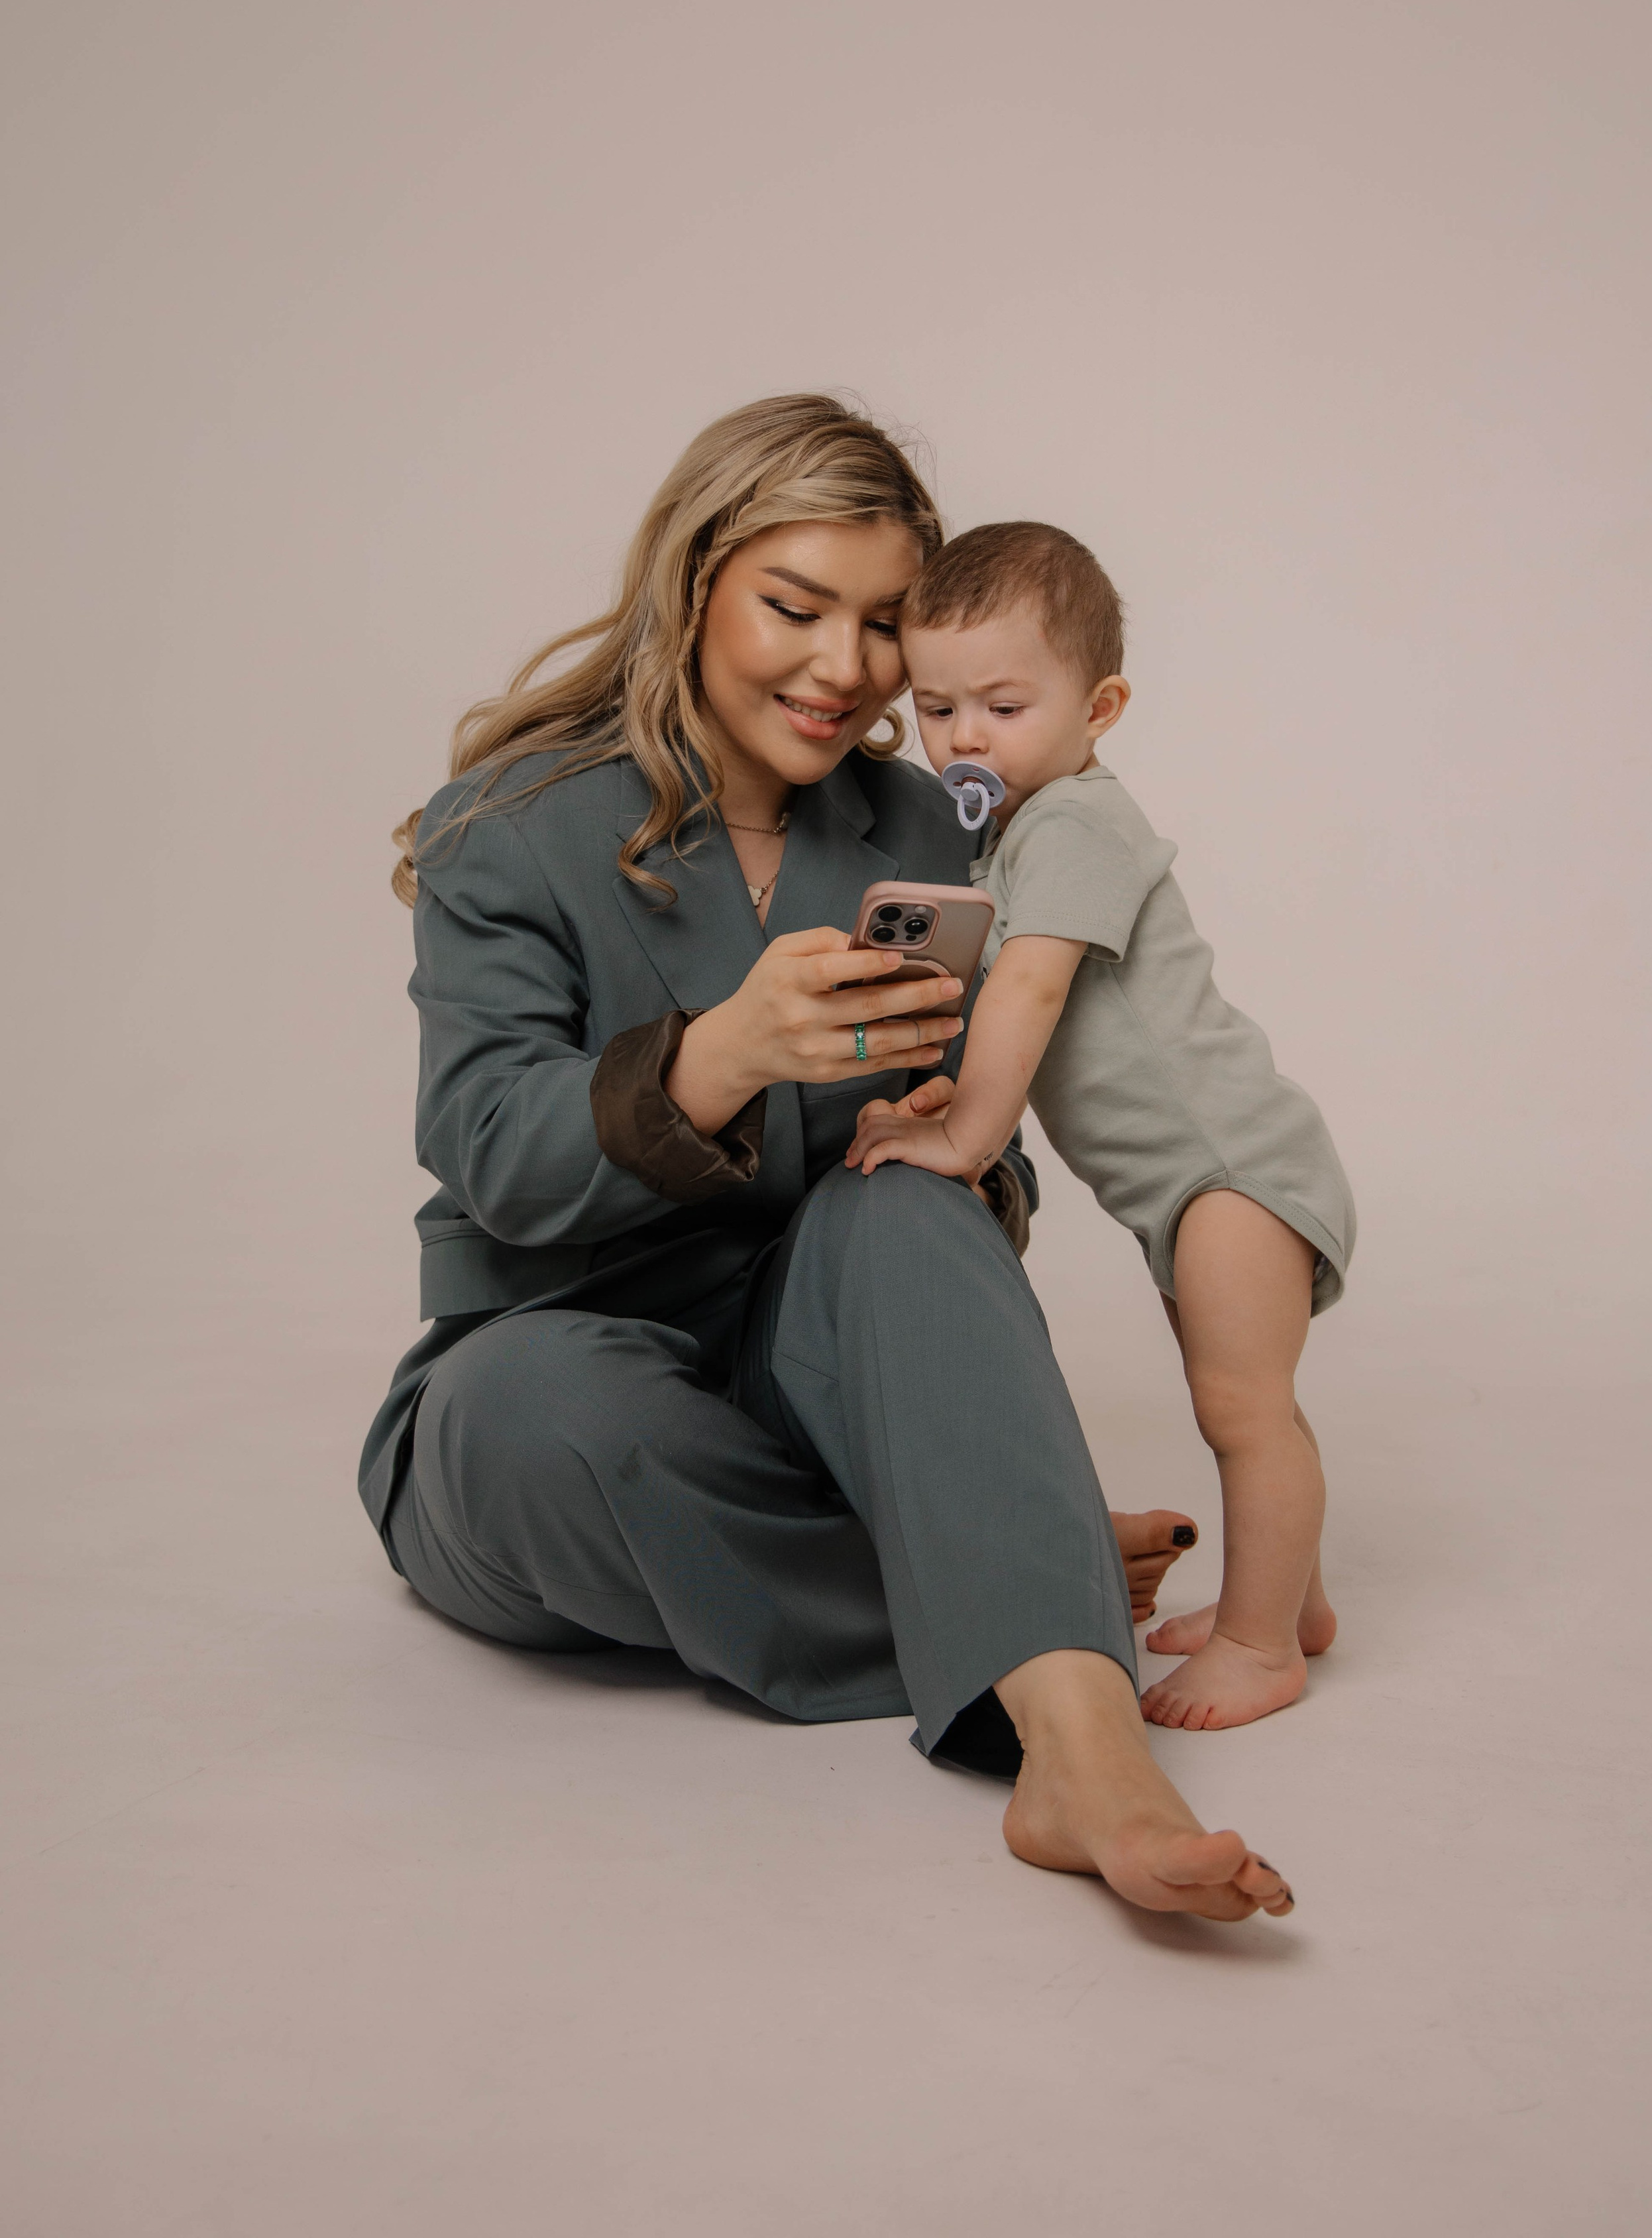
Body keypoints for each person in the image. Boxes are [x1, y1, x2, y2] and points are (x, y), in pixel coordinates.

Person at [360, 398, 1294, 1921]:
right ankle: (1011, 1567)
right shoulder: (507, 826)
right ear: (693, 579)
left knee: (909, 1201)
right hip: (562, 1370)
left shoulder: (925, 818)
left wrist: (945, 1151)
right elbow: (488, 1153)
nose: (844, 670)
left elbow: (982, 1147)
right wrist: (724, 1051)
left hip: (823, 1368)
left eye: (881, 628)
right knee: (527, 1410)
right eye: (794, 608)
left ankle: (1079, 1754)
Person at [850, 522, 1355, 1729]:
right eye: (938, 709)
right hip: (1186, 1187)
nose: (967, 738)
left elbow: (1025, 991)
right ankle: (1296, 1607)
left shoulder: (1074, 822)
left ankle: (1259, 1645)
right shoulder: (1021, 830)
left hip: (1231, 1169)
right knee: (1241, 1402)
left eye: (1005, 706)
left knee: (1243, 1410)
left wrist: (969, 1138)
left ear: (1102, 704)